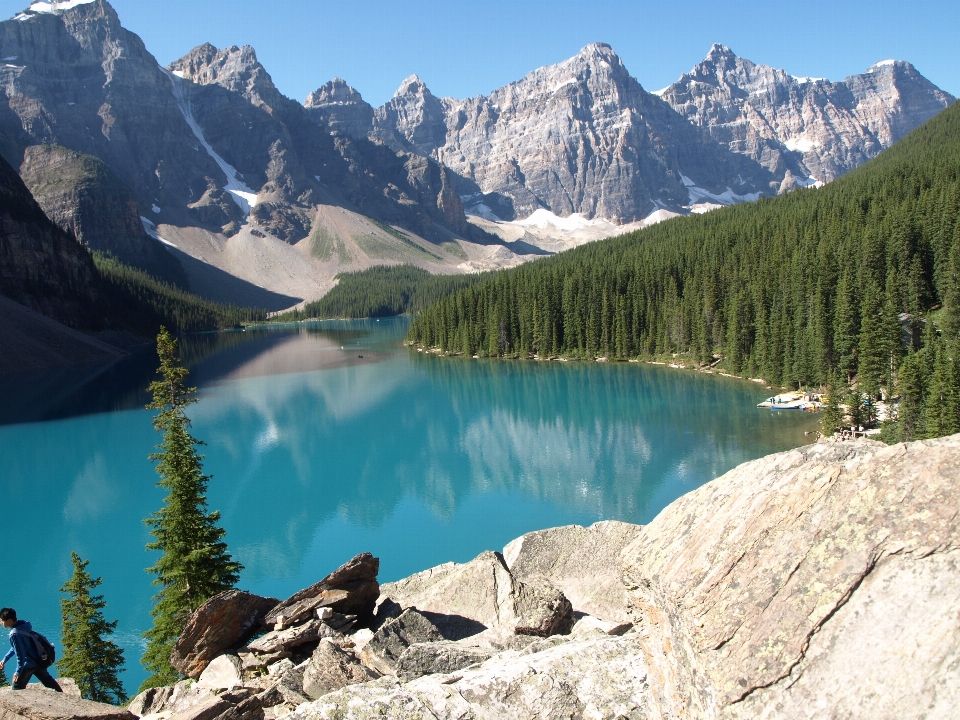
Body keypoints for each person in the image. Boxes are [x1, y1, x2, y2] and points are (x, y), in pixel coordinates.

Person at [0, 608, 62, 691]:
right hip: (39, 660)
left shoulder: (14, 634)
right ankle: (60, 693)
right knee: (47, 680)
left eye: (2, 620)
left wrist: (18, 672)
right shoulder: (24, 626)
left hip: (28, 664)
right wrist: (5, 659)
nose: (1, 622)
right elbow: (17, 647)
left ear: (9, 621)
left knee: (17, 687)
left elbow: (20, 655)